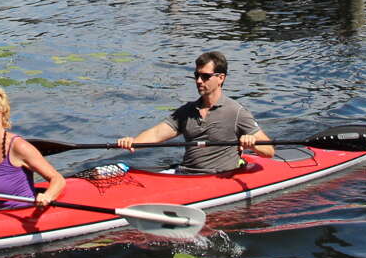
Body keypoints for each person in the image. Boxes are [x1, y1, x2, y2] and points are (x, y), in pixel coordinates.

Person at [117, 51, 274, 173]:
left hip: (219, 177)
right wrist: (134, 142)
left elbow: (269, 151)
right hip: (187, 173)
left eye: (205, 76)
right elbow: (158, 133)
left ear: (221, 78)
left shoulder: (236, 112)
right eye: (196, 75)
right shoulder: (187, 111)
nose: (199, 81)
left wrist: (252, 145)